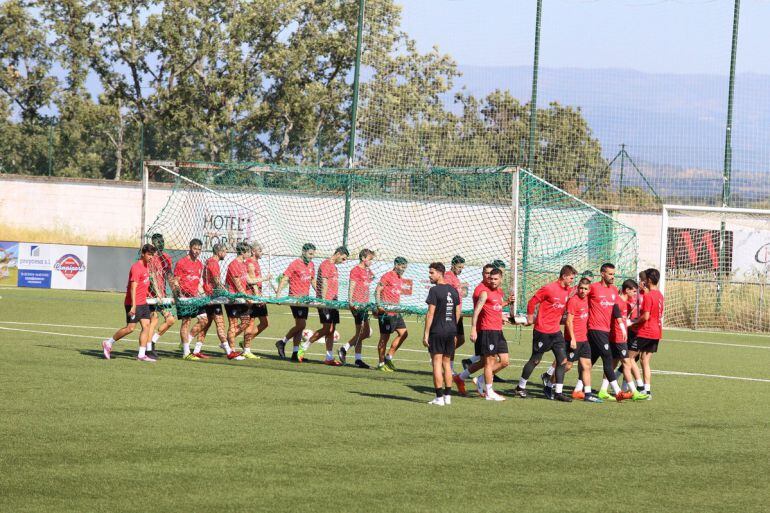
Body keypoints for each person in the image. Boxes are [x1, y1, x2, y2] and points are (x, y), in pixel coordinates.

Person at [512, 265, 576, 402]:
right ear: (564, 276)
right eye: (571, 278)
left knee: (562, 360)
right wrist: (530, 317)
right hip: (542, 331)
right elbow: (532, 302)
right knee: (535, 360)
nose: (572, 280)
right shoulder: (549, 288)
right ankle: (520, 387)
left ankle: (558, 392)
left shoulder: (568, 291)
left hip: (556, 332)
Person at [101, 244, 157, 362]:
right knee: (130, 328)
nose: (151, 257)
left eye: (153, 255)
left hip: (143, 303)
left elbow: (144, 286)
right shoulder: (136, 267)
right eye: (149, 254)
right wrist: (133, 305)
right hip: (133, 303)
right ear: (143, 254)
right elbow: (133, 288)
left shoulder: (147, 267)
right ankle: (108, 342)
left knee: (146, 326)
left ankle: (141, 355)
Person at [597, 279, 648, 400]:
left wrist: (632, 322)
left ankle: (603, 390)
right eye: (634, 291)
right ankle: (634, 392)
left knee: (613, 364)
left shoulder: (624, 302)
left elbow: (621, 320)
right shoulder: (618, 302)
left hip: (617, 337)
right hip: (619, 338)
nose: (635, 294)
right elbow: (616, 319)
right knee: (626, 363)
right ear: (627, 290)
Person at [469, 268, 514, 401]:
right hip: (488, 331)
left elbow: (496, 306)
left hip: (498, 331)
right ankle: (489, 392)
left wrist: (506, 305)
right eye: (491, 279)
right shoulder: (484, 293)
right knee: (489, 362)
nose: (493, 281)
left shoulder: (499, 292)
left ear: (501, 279)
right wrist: (473, 329)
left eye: (495, 279)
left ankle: (480, 379)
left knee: (505, 361)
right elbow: (476, 311)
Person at [583, 263, 626, 402]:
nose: (613, 277)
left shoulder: (614, 290)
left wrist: (621, 325)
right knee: (608, 357)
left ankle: (577, 388)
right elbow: (580, 296)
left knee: (590, 360)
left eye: (614, 274)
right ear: (602, 274)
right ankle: (618, 391)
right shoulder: (594, 287)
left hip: (606, 329)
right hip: (595, 328)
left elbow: (615, 309)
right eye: (610, 274)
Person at [301, 246, 349, 365]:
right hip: (325, 302)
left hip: (333, 302)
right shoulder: (326, 264)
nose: (344, 261)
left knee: (332, 330)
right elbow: (324, 283)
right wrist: (322, 300)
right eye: (343, 258)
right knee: (327, 328)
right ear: (338, 254)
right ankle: (304, 346)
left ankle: (329, 357)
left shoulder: (334, 267)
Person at [423, 263, 462, 406]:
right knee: (447, 364)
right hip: (451, 331)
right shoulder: (453, 290)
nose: (430, 275)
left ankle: (439, 398)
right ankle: (448, 396)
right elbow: (457, 312)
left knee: (437, 364)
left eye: (432, 273)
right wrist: (453, 326)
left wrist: (426, 333)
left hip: (437, 331)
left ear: (440, 273)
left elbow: (430, 314)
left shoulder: (434, 291)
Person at [275, 243, 317, 361]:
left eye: (313, 254)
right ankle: (282, 342)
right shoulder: (294, 263)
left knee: (300, 328)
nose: (311, 256)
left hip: (305, 300)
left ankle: (294, 353)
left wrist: (319, 294)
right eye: (310, 254)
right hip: (295, 299)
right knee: (301, 324)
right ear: (303, 252)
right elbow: (285, 278)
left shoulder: (311, 265)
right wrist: (278, 295)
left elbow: (313, 280)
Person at [628, 268, 664, 400]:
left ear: (648, 280)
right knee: (645, 361)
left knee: (628, 358)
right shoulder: (660, 295)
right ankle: (647, 391)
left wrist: (632, 322)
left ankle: (640, 386)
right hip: (656, 333)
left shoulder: (649, 296)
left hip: (646, 332)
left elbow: (646, 316)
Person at [338, 249, 375, 369]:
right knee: (365, 332)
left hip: (365, 304)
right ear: (363, 258)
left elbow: (372, 278)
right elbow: (352, 285)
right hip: (357, 304)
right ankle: (345, 348)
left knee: (365, 332)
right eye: (370, 259)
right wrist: (351, 301)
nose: (371, 262)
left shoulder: (368, 271)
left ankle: (357, 359)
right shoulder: (355, 270)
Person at [375, 257, 409, 372]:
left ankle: (388, 357)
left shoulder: (400, 278)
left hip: (396, 312)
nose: (403, 269)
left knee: (404, 333)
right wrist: (379, 305)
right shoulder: (387, 276)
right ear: (396, 265)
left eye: (405, 267)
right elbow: (378, 290)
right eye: (402, 267)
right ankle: (380, 364)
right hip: (386, 313)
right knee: (384, 338)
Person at [173, 238, 205, 361]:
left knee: (204, 320)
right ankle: (186, 352)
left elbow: (198, 283)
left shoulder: (200, 264)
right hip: (184, 298)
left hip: (195, 298)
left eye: (199, 249)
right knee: (186, 322)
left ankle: (186, 341)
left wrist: (201, 294)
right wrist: (179, 295)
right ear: (190, 248)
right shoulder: (181, 263)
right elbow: (176, 281)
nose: (197, 251)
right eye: (195, 248)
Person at [196, 243, 229, 358]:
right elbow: (217, 282)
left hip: (208, 296)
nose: (226, 253)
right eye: (225, 251)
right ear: (219, 252)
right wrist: (227, 293)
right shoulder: (214, 263)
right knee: (220, 324)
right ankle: (229, 351)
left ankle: (196, 350)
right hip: (212, 297)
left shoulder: (208, 261)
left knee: (207, 324)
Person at [146, 233, 176, 359]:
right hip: (150, 295)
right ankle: (147, 349)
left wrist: (175, 291)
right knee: (153, 322)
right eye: (158, 242)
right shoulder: (150, 258)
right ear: (153, 243)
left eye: (162, 241)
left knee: (170, 320)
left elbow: (169, 276)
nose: (161, 244)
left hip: (162, 295)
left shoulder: (167, 258)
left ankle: (152, 341)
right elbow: (151, 278)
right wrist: (157, 293)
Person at [223, 242, 253, 360]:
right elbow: (237, 283)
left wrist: (264, 279)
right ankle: (232, 351)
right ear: (243, 252)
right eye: (249, 252)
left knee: (246, 322)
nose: (250, 254)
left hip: (241, 299)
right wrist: (246, 297)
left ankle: (226, 341)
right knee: (233, 324)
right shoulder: (234, 264)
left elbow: (248, 280)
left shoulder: (244, 265)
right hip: (233, 299)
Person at [242, 242, 271, 358]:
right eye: (260, 250)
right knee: (250, 323)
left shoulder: (256, 262)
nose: (262, 252)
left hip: (258, 296)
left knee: (265, 323)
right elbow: (253, 282)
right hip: (253, 297)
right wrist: (258, 298)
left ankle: (245, 343)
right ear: (254, 251)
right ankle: (246, 349)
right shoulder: (250, 263)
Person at [443, 255, 467, 373]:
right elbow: (446, 294)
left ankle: (443, 355)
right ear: (453, 265)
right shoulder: (448, 276)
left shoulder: (456, 278)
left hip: (458, 313)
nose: (461, 269)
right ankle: (449, 367)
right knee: (453, 340)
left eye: (462, 267)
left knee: (461, 339)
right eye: (459, 267)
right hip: (451, 313)